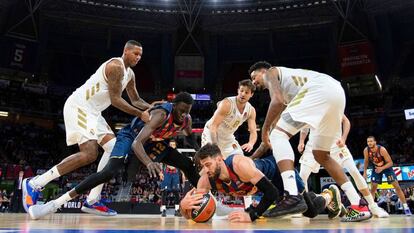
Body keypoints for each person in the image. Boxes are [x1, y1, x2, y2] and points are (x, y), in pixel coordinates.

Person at [22, 40, 152, 216]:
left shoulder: (130, 74)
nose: (138, 57)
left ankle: (92, 200)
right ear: (125, 51)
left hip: (94, 113)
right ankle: (35, 183)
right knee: (89, 154)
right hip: (80, 107)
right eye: (135, 53)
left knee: (114, 149)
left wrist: (153, 108)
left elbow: (136, 100)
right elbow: (115, 100)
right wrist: (140, 114)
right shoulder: (116, 66)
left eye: (140, 55)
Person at [28, 92, 201, 220]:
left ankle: (205, 196)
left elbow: (190, 137)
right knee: (109, 172)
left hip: (154, 143)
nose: (183, 114)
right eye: (181, 110)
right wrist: (148, 163)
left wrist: (199, 151)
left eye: (187, 111)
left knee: (186, 163)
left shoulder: (187, 120)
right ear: (174, 105)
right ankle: (54, 204)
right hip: (131, 137)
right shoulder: (162, 114)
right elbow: (137, 143)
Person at [248, 61, 369, 222]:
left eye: (254, 77)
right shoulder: (288, 91)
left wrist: (264, 129)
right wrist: (258, 151)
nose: (254, 82)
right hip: (336, 92)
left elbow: (275, 102)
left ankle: (292, 195)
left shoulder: (271, 72)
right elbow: (276, 122)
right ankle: (358, 205)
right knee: (321, 155)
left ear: (262, 70)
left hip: (318, 90)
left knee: (279, 135)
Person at [179, 143, 342, 222]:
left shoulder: (239, 165)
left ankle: (328, 195)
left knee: (310, 212)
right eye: (203, 166)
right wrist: (183, 206)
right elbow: (194, 204)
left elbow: (272, 192)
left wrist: (251, 215)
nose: (205, 170)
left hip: (279, 173)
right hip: (268, 188)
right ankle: (320, 197)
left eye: (208, 165)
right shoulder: (206, 180)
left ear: (220, 159)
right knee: (306, 207)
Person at [298, 115, 387, 218]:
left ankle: (373, 206)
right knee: (302, 176)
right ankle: (304, 208)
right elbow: (304, 126)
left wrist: (343, 138)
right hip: (313, 145)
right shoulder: (309, 105)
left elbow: (346, 121)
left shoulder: (331, 102)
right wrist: (301, 141)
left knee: (354, 172)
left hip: (336, 145)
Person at [201, 79, 257, 158]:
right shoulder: (227, 104)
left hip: (228, 137)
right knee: (212, 160)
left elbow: (253, 132)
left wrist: (251, 143)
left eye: (247, 92)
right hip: (211, 134)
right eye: (241, 91)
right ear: (238, 91)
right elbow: (213, 126)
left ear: (251, 94)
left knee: (240, 159)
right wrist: (214, 145)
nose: (243, 94)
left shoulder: (251, 110)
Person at [363, 136, 412, 216]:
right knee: (373, 188)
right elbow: (366, 161)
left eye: (371, 141)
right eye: (368, 141)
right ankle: (371, 208)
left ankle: (406, 207)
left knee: (397, 187)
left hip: (386, 168)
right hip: (376, 169)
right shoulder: (366, 150)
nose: (369, 143)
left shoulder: (382, 150)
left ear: (375, 142)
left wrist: (382, 168)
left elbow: (390, 163)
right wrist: (364, 172)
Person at [159, 140, 183, 217]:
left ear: (175, 146)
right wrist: (160, 172)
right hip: (167, 174)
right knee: (164, 192)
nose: (172, 146)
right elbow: (160, 162)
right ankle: (163, 210)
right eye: (171, 144)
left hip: (175, 174)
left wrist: (183, 174)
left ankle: (177, 210)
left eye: (173, 144)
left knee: (176, 192)